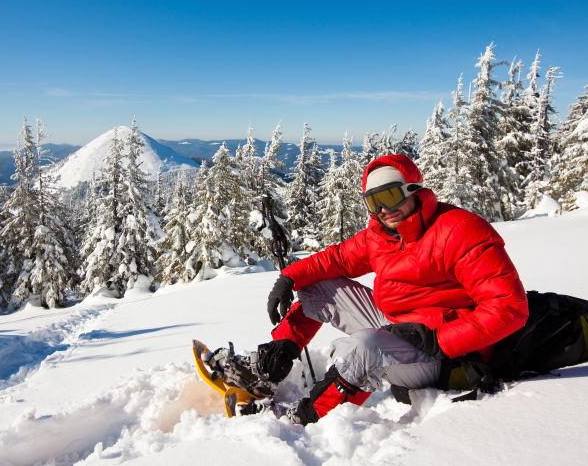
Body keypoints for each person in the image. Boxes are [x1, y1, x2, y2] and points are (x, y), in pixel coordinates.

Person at [226, 153, 529, 424]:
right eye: (374, 201)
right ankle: (268, 369)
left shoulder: (460, 231)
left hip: (444, 355)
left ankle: (301, 418)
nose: (384, 209)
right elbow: (338, 258)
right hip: (398, 327)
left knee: (365, 349)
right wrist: (289, 278)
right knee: (317, 286)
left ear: (413, 190)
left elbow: (509, 307)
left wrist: (439, 339)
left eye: (391, 195)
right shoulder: (381, 235)